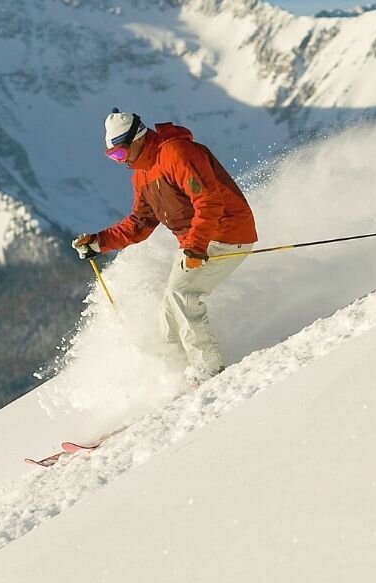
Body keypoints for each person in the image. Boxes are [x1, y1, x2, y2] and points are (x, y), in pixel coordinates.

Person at [73, 109, 257, 381]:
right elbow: (140, 223)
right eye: (113, 157)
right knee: (166, 319)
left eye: (120, 153)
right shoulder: (143, 173)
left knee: (182, 294)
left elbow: (209, 202)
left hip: (226, 233)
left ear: (137, 138)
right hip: (198, 243)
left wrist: (195, 246)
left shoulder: (177, 153)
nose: (120, 161)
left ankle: (209, 370)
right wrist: (99, 242)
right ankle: (175, 375)